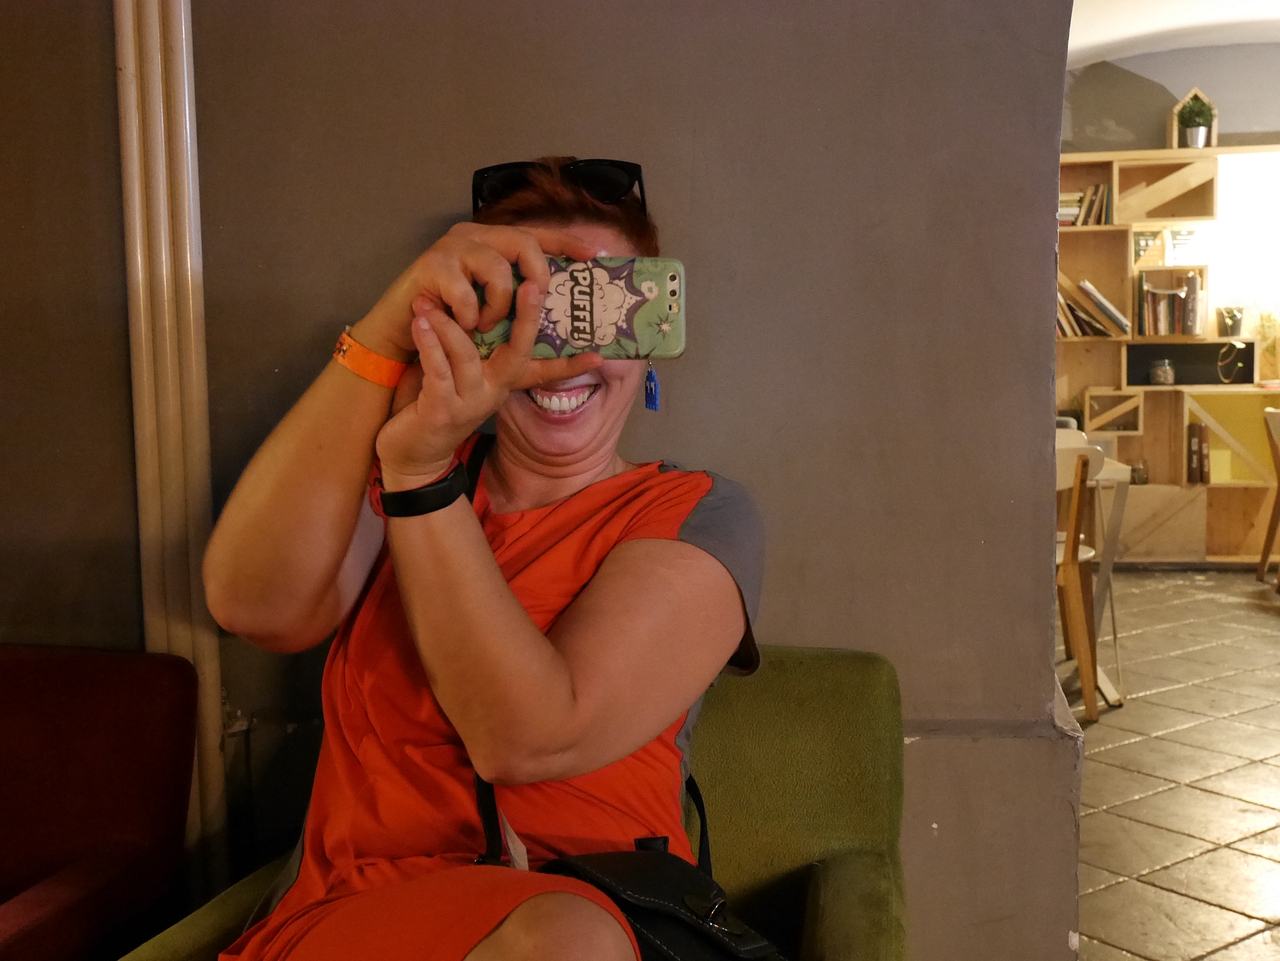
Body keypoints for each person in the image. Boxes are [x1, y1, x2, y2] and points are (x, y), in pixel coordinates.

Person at [204, 157, 763, 961]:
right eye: (524, 311)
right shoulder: (391, 468)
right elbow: (254, 606)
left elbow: (528, 738)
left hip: (596, 917)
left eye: (597, 308)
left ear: (650, 340)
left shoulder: (697, 513)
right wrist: (386, 333)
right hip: (363, 916)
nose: (561, 352)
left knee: (569, 942)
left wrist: (422, 480)